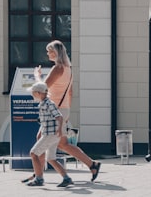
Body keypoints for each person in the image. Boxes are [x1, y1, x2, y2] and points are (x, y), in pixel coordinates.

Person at [34, 39, 101, 182]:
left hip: (54, 111)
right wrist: (67, 113)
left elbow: (42, 89)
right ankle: (92, 164)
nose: (48, 54)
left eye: (49, 51)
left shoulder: (57, 68)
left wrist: (37, 76)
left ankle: (38, 175)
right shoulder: (69, 69)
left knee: (41, 139)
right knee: (63, 144)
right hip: (63, 110)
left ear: (56, 53)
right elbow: (70, 92)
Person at [24, 81, 72, 188]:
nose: (32, 95)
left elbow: (59, 116)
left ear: (39, 93)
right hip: (51, 134)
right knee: (50, 158)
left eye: (33, 93)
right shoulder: (43, 103)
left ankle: (39, 179)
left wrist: (59, 129)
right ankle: (66, 178)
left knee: (33, 153)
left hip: (51, 134)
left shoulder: (48, 103)